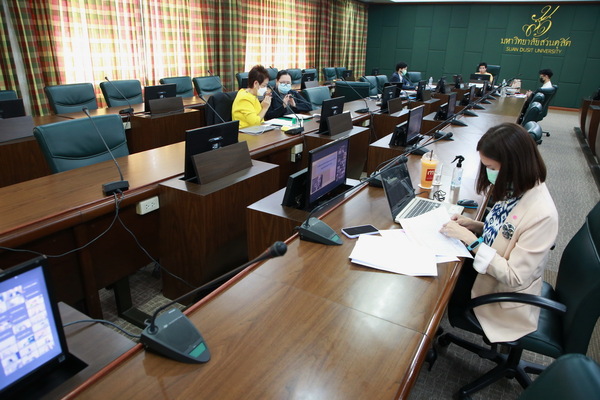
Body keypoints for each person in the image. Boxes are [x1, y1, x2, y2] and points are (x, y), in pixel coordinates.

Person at [439, 122, 558, 343]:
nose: (488, 173)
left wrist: (472, 241)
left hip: (501, 295)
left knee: (437, 285)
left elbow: (514, 276)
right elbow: (506, 233)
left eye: (491, 167)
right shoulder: (516, 188)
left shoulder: (542, 215)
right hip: (487, 271)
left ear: (514, 165)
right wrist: (475, 226)